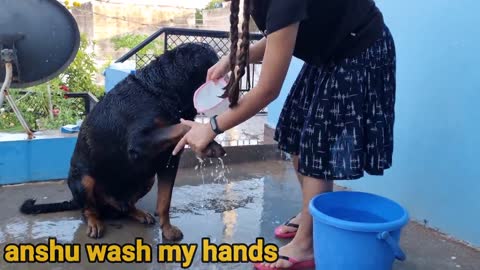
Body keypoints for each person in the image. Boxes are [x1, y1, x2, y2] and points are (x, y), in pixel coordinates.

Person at [173, 0, 396, 269]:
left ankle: (307, 245)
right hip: (330, 51)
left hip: (359, 50)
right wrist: (233, 58)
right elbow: (282, 36)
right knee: (294, 127)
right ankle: (310, 215)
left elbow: (267, 90)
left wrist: (211, 127)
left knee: (317, 145)